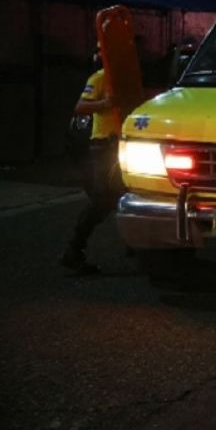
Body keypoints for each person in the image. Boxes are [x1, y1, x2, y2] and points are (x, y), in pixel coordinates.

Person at [61, 47, 123, 274]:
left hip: (120, 147)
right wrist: (105, 104)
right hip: (104, 146)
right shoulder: (99, 78)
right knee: (102, 200)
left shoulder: (124, 80)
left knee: (121, 196)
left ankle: (139, 247)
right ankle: (73, 250)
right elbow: (81, 107)